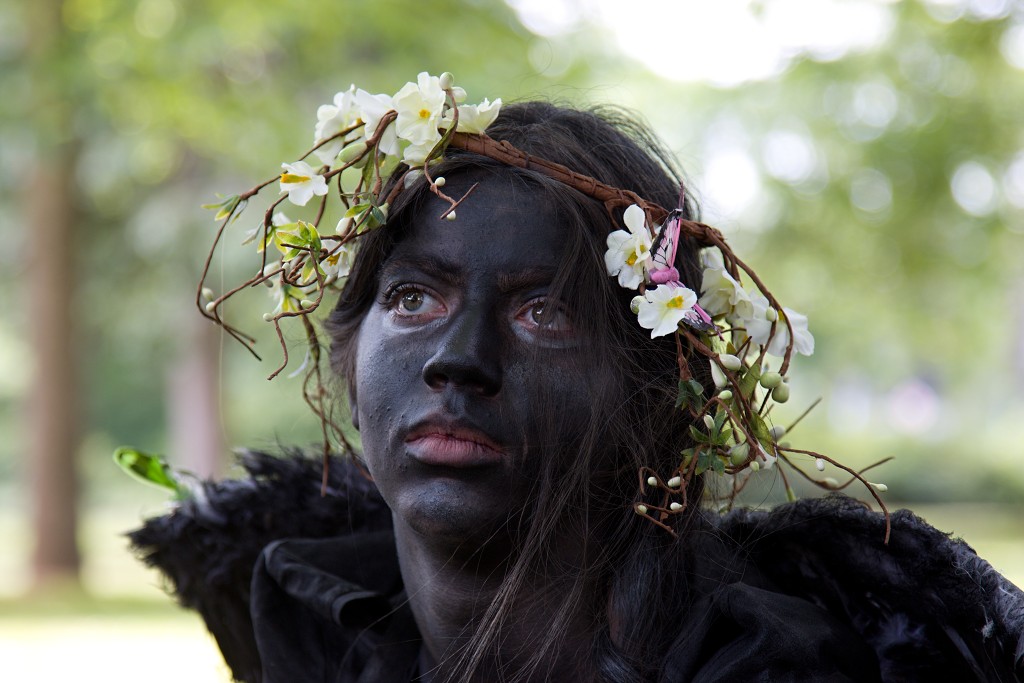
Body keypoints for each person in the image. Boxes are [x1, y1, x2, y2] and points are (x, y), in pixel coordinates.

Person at [129, 77, 1024, 682]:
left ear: (656, 397)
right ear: (345, 358)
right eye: (412, 297)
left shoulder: (772, 663)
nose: (458, 357)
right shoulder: (307, 622)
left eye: (546, 312)